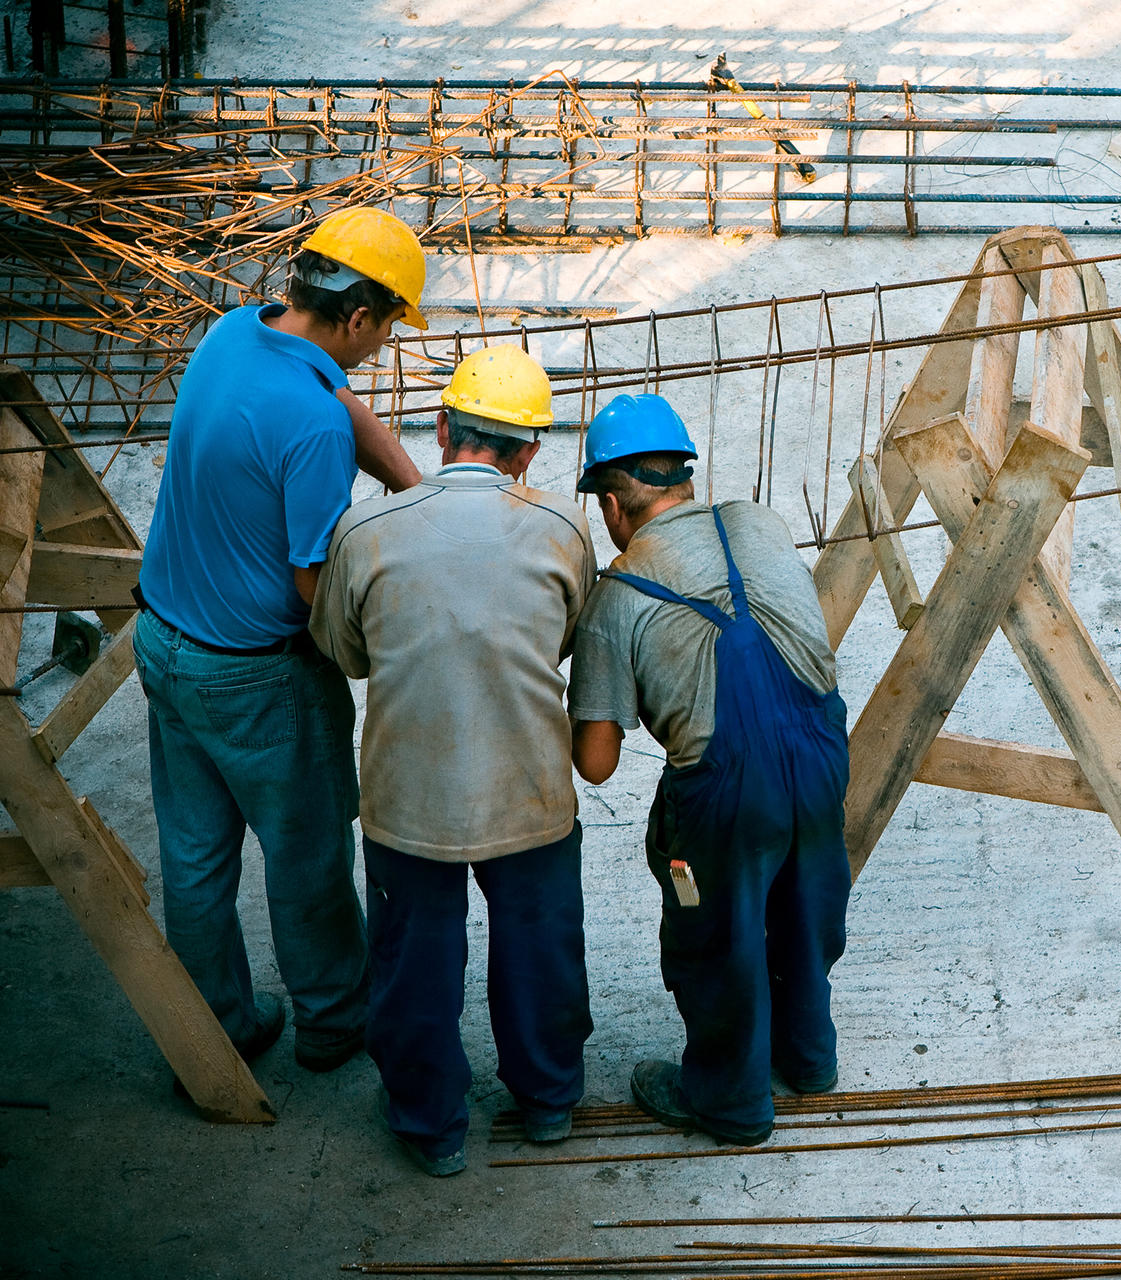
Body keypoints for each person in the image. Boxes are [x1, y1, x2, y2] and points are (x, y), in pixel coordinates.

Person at [133, 206, 427, 1083]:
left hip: (165, 642)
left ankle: (219, 1024)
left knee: (193, 858)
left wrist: (418, 492)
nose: (382, 350)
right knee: (307, 860)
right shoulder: (310, 428)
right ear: (361, 318)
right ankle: (335, 1023)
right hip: (258, 678)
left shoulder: (233, 332)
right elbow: (314, 586)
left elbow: (335, 398)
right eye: (388, 331)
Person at [308, 346, 598, 1176]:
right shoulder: (563, 528)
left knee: (414, 966)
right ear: (531, 452)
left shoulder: (364, 531)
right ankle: (547, 1100)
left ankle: (430, 1124)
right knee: (541, 951)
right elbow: (567, 638)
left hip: (411, 801)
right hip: (530, 794)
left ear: (440, 428)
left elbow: (346, 653)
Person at [567, 393, 851, 1147]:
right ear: (684, 476)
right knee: (804, 903)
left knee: (719, 937)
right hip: (822, 749)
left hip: (726, 794)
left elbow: (596, 766)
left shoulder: (617, 594)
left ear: (611, 505)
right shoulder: (759, 522)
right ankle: (808, 1060)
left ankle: (730, 1103)